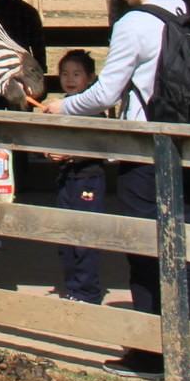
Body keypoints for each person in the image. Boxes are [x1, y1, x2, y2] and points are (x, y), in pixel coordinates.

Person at [38, 0, 190, 381]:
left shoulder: (134, 24)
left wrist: (62, 107)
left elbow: (106, 93)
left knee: (145, 250)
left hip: (145, 156)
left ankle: (150, 352)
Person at [50, 50, 107, 304]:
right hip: (65, 180)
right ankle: (72, 287)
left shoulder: (94, 109)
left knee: (85, 237)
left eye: (76, 74)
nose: (69, 79)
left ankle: (88, 291)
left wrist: (72, 155)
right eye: (64, 74)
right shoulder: (60, 106)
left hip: (88, 178)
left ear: (91, 78)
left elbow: (100, 147)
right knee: (65, 236)